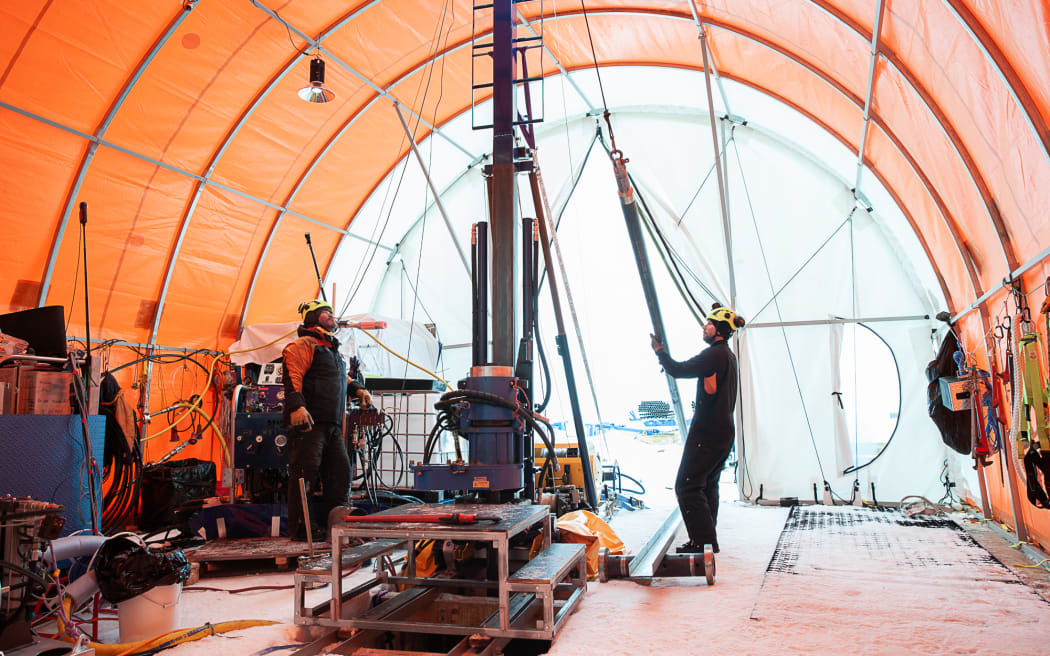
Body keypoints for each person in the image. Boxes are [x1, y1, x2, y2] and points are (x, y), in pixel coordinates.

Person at [650, 303, 745, 554]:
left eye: (709, 324)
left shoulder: (715, 355)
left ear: (721, 331)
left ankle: (702, 542)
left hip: (708, 433)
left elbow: (678, 370)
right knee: (706, 485)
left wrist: (660, 352)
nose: (704, 327)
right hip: (723, 432)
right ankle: (706, 543)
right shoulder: (728, 356)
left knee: (687, 485)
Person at [282, 299, 372, 541]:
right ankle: (302, 531)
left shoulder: (333, 351)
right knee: (305, 476)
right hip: (309, 424)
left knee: (340, 473)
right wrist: (297, 407)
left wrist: (358, 390)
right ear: (311, 318)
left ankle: (338, 525)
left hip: (331, 425)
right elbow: (293, 377)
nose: (331, 316)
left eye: (331, 312)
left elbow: (342, 379)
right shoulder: (302, 345)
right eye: (325, 313)